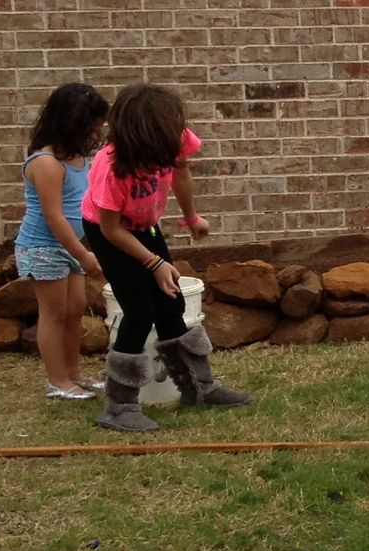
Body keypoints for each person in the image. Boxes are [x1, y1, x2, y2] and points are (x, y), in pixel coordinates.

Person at [81, 83, 252, 432]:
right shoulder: (110, 168)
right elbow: (111, 230)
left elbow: (181, 172)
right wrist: (155, 263)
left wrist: (191, 218)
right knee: (139, 312)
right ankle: (119, 406)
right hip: (110, 233)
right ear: (141, 137)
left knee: (171, 303)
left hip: (145, 226)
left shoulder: (171, 137)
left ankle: (199, 388)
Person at [15, 83, 110, 401]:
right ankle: (57, 380)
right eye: (92, 128)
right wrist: (83, 254)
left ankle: (74, 372)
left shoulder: (78, 160)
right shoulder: (46, 163)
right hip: (43, 247)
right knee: (54, 312)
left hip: (71, 246)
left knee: (74, 310)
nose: (96, 135)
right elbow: (54, 217)